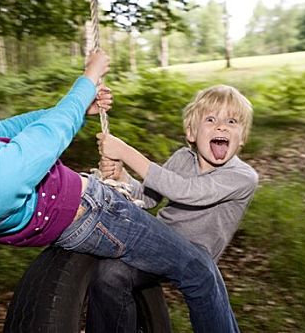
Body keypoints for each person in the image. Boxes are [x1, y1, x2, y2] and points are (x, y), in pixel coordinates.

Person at [0, 50, 238, 333]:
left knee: (111, 278)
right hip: (98, 216)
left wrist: (80, 109)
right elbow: (44, 139)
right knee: (198, 269)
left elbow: (6, 129)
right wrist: (87, 80)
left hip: (95, 205)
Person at [87, 84, 258, 332]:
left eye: (232, 121)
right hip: (159, 243)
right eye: (211, 119)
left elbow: (186, 192)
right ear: (191, 132)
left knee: (204, 276)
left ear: (241, 138)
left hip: (195, 253)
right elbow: (147, 198)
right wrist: (122, 177)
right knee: (109, 274)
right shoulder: (181, 159)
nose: (221, 126)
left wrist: (126, 153)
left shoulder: (242, 177)